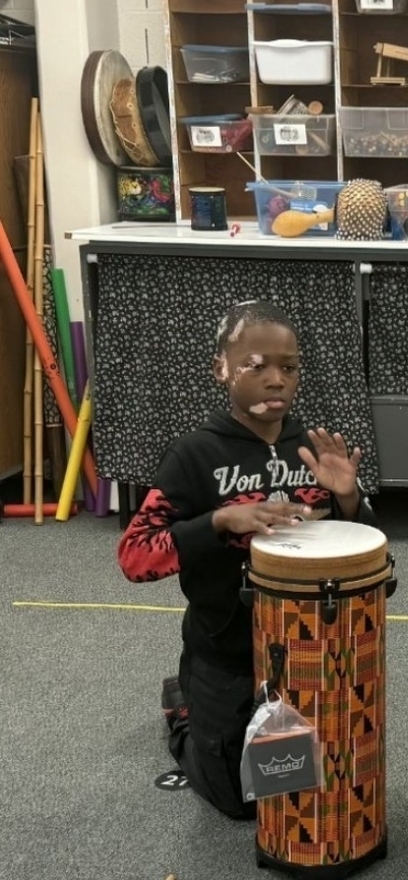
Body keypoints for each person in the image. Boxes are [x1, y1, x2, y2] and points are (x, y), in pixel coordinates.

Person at [117, 299, 377, 820]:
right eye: (255, 365)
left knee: (306, 781)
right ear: (222, 369)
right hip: (226, 651)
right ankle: (183, 711)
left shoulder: (312, 449)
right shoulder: (194, 455)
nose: (276, 379)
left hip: (308, 645)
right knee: (239, 802)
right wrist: (218, 522)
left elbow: (363, 549)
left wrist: (349, 501)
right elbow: (135, 556)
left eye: (289, 366)